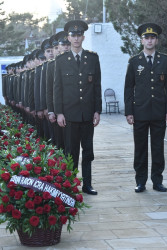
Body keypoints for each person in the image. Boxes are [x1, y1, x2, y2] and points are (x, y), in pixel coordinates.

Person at [124, 22, 167, 193]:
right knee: (140, 148)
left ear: (157, 41)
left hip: (159, 111)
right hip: (139, 112)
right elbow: (128, 88)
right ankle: (140, 181)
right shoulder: (134, 61)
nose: (150, 40)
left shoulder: (165, 60)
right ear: (141, 40)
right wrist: (129, 112)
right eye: (146, 38)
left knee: (158, 147)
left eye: (153, 37)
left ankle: (157, 181)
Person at [53, 20, 102, 195]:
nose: (76, 38)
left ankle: (87, 184)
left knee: (88, 151)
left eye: (79, 35)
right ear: (68, 37)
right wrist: (59, 112)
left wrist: (97, 110)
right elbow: (57, 89)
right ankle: (71, 184)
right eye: (72, 35)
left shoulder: (92, 58)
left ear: (83, 37)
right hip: (70, 115)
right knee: (71, 152)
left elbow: (96, 86)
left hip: (88, 114)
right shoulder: (61, 60)